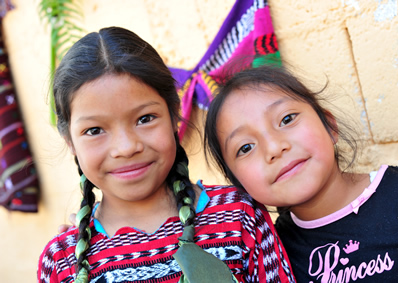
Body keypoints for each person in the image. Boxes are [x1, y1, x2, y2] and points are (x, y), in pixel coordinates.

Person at [37, 27, 296, 283]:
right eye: (94, 130)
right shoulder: (61, 261)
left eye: (144, 119)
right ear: (70, 141)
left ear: (174, 114)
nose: (126, 147)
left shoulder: (238, 215)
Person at [204, 65, 398, 282]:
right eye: (245, 148)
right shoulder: (269, 254)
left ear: (329, 126)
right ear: (238, 183)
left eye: (287, 119)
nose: (274, 148)